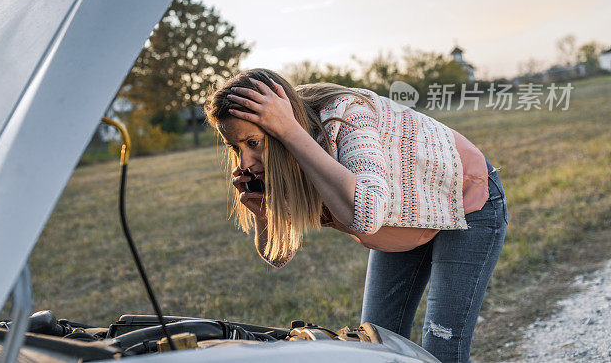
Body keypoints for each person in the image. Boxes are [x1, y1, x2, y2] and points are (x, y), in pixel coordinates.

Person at [203, 68, 507, 363]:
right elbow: (279, 256)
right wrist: (263, 215)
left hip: (464, 198)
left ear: (282, 121)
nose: (245, 161)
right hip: (401, 223)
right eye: (235, 146)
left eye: (253, 143)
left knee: (442, 347)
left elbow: (367, 214)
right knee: (376, 347)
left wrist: (290, 132)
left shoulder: (346, 115)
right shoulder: (275, 162)